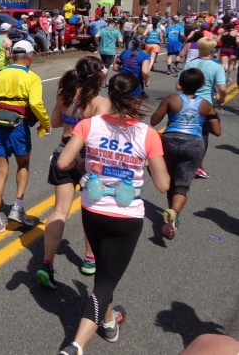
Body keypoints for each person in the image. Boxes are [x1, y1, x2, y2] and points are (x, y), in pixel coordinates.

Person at [56, 72, 170, 355]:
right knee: (105, 283)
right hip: (126, 216)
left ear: (111, 96)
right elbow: (163, 184)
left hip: (92, 210)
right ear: (139, 99)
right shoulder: (148, 135)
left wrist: (83, 160)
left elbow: (63, 162)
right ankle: (76, 346)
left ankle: (109, 323)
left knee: (104, 275)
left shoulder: (88, 125)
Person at [38, 56, 110, 289]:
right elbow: (99, 136)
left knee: (60, 209)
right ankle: (89, 258)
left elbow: (55, 122)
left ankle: (47, 262)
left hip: (64, 151)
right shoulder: (100, 103)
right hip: (88, 158)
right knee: (91, 209)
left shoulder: (64, 95)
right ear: (98, 77)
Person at [0, 40, 50, 236]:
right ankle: (17, 208)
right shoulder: (32, 77)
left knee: (0, 172)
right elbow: (35, 104)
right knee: (23, 164)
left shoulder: (0, 74)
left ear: (12, 56)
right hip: (18, 127)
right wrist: (45, 122)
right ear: (30, 57)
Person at [150, 68, 220, 240]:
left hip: (169, 142)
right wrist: (207, 119)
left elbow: (154, 121)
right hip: (194, 144)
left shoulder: (170, 99)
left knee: (170, 178)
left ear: (180, 84)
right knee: (183, 182)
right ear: (201, 85)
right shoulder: (206, 105)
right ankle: (174, 213)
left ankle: (171, 215)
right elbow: (217, 132)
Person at [180, 37, 226, 179]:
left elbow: (178, 85)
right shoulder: (217, 66)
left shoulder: (190, 64)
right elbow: (222, 88)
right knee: (203, 134)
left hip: (187, 101)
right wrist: (221, 99)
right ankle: (197, 166)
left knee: (184, 130)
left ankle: (181, 161)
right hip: (206, 104)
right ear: (213, 50)